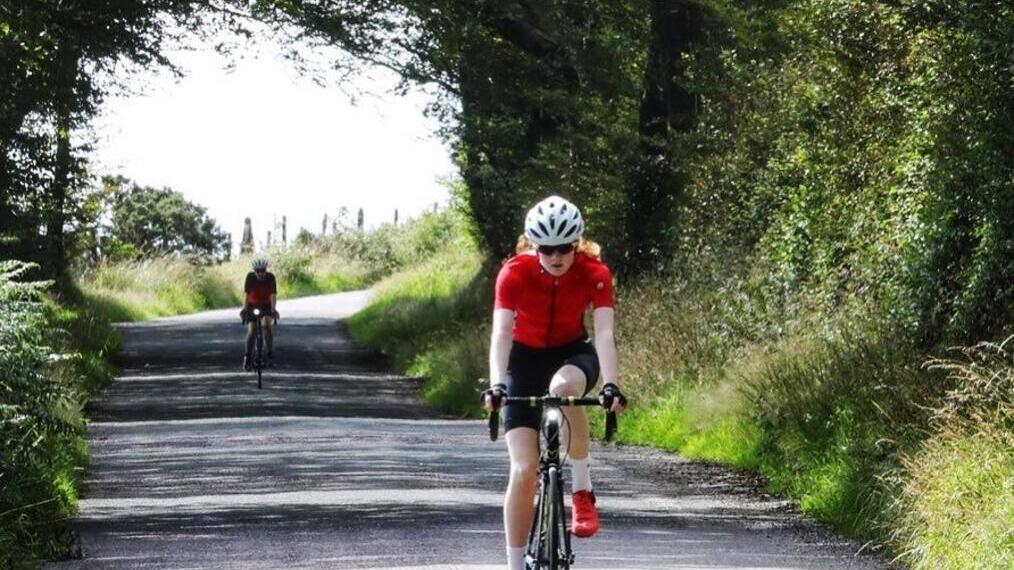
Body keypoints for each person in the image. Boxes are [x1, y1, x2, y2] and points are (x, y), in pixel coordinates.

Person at [482, 195, 627, 570]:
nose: (556, 256)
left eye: (564, 248)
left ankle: (581, 489)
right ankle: (514, 565)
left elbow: (605, 334)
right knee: (523, 470)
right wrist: (497, 384)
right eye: (547, 249)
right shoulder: (513, 273)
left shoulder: (595, 274)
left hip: (572, 355)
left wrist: (610, 384)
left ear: (576, 244)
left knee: (563, 391)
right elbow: (501, 335)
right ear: (534, 245)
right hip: (524, 360)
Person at [242, 258, 278, 370]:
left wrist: (273, 309)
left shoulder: (271, 277)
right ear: (254, 271)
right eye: (258, 271)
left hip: (266, 306)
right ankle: (247, 357)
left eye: (263, 271)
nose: (261, 273)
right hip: (252, 305)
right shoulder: (250, 277)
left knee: (267, 325)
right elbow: (246, 295)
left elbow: (273, 295)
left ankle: (270, 354)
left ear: (266, 270)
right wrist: (244, 309)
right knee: (252, 330)